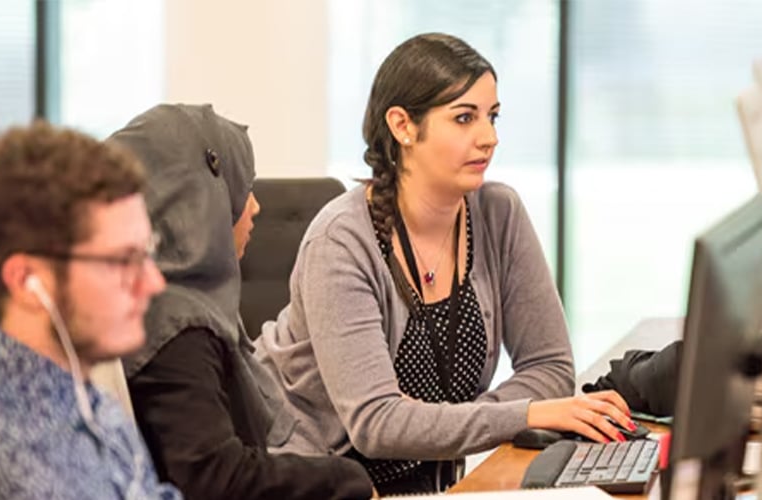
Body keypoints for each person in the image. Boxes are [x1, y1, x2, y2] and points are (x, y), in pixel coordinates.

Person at [253, 32, 635, 494]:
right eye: (464, 118)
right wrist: (524, 414)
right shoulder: (341, 241)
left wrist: (463, 422)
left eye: (492, 117)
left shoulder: (498, 213)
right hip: (325, 482)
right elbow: (376, 423)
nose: (489, 138)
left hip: (434, 484)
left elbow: (551, 367)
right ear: (403, 126)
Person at [0, 122, 181, 499]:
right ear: (27, 281)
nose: (153, 282)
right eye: (123, 260)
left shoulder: (83, 399)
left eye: (147, 252)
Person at [108, 104, 375, 500]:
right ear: (202, 198)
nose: (255, 206)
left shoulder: (173, 308)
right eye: (242, 188)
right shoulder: (177, 329)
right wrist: (345, 479)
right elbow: (214, 478)